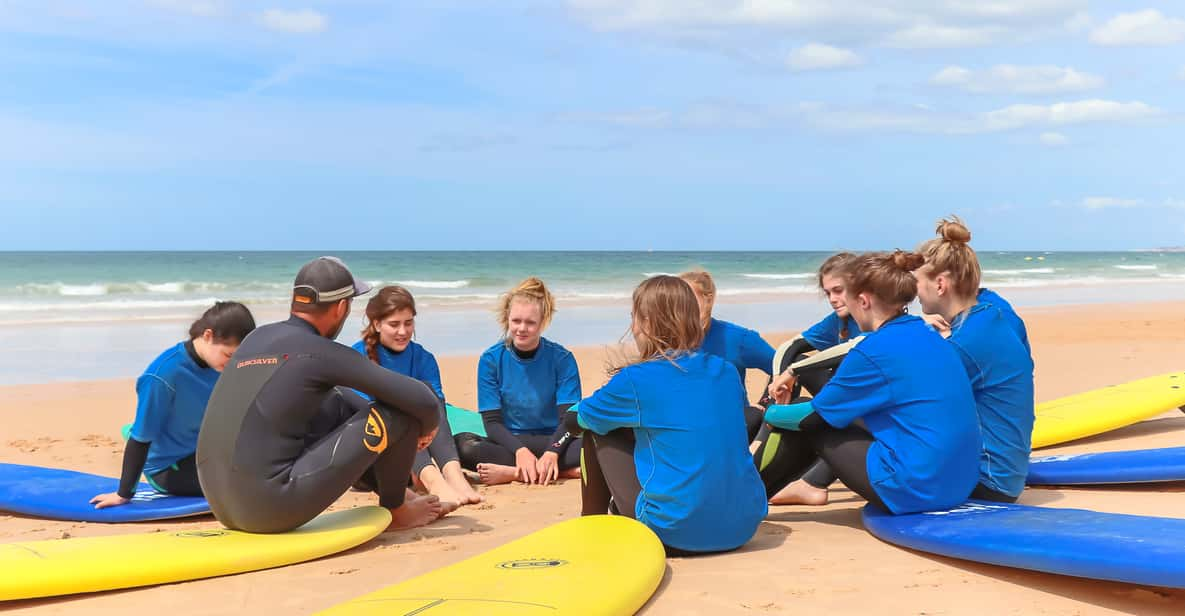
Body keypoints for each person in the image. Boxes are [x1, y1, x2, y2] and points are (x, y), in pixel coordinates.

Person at [196, 256, 445, 533]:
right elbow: (423, 400)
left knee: (334, 398)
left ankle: (401, 493)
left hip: (219, 503)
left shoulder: (256, 339)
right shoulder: (319, 351)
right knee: (399, 414)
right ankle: (397, 509)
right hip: (270, 509)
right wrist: (426, 429)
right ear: (340, 307)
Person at [756, 251, 980, 514]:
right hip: (959, 482)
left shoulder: (872, 351)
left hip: (920, 489)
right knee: (831, 413)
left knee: (807, 419)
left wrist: (770, 414)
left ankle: (738, 499)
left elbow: (811, 418)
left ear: (863, 300)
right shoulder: (927, 334)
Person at [571, 275, 767, 555]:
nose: (632, 327)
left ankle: (590, 531)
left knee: (595, 429)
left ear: (648, 323)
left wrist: (581, 411)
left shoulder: (636, 379)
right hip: (742, 527)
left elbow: (578, 419)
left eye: (634, 318)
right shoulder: (726, 371)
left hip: (674, 533)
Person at [914, 218, 1035, 502]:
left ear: (940, 284)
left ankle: (811, 484)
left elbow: (911, 403)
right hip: (1007, 473)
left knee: (835, 432)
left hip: (987, 483)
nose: (913, 292)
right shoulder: (992, 314)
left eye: (915, 282)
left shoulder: (965, 343)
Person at [90, 302, 256, 509]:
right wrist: (123, 494)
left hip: (204, 449)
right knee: (244, 487)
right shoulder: (163, 375)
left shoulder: (221, 364)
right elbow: (141, 440)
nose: (233, 364)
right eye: (229, 355)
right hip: (169, 464)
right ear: (207, 335)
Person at [353, 286, 482, 506]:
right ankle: (433, 481)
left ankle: (453, 475)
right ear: (376, 324)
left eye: (408, 323)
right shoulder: (358, 357)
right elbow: (358, 417)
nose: (403, 331)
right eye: (394, 324)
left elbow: (437, 411)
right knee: (397, 405)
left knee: (429, 396)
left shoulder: (424, 358)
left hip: (414, 453)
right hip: (372, 461)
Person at [760, 252, 866, 504]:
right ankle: (764, 436)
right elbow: (791, 345)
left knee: (822, 411)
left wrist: (793, 372)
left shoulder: (875, 319)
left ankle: (813, 482)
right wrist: (778, 381)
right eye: (828, 293)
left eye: (838, 290)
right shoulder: (839, 319)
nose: (832, 299)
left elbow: (855, 347)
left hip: (867, 405)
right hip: (845, 399)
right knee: (795, 363)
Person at [455, 277, 582, 485]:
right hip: (511, 441)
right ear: (507, 319)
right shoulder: (491, 359)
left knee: (599, 445)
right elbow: (492, 423)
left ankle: (518, 472)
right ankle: (555, 471)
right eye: (516, 321)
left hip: (555, 440)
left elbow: (568, 421)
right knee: (463, 446)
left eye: (530, 322)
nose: (522, 328)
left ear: (542, 323)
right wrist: (520, 451)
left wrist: (552, 452)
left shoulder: (562, 359)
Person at [678, 270, 775, 441]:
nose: (686, 306)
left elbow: (782, 365)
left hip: (734, 431)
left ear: (708, 299)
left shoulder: (738, 338)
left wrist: (765, 404)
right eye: (679, 301)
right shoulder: (669, 340)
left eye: (691, 299)